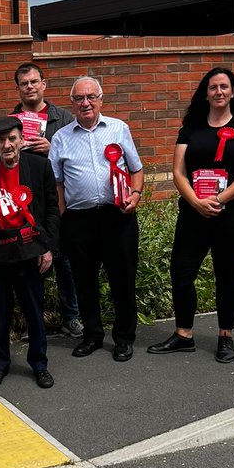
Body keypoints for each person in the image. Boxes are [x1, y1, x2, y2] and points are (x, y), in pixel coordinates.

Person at [148, 68, 234, 363]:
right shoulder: (191, 127)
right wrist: (197, 201)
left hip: (233, 213)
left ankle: (226, 335)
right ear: (206, 93)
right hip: (193, 213)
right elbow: (178, 171)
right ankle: (183, 334)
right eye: (213, 87)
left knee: (226, 273)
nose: (219, 92)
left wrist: (220, 199)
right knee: (181, 271)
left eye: (224, 86)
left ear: (233, 91)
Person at [49, 75, 144, 362]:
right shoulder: (61, 137)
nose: (86, 103)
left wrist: (136, 195)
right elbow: (57, 185)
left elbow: (136, 168)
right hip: (79, 221)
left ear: (101, 99)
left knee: (122, 279)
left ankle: (124, 338)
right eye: (79, 98)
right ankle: (92, 335)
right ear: (72, 103)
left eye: (91, 97)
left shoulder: (119, 128)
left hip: (118, 216)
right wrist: (64, 218)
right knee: (84, 281)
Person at [0, 117, 59, 389]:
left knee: (34, 311)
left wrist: (49, 248)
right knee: (1, 314)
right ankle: (0, 364)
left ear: (21, 139)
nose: (7, 145)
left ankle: (39, 364)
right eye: (1, 140)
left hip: (31, 251)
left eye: (12, 139)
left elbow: (52, 211)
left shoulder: (40, 167)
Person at [10, 63, 81, 336]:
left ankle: (70, 316)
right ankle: (33, 320)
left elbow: (78, 155)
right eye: (24, 83)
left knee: (64, 260)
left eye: (34, 81)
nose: (29, 86)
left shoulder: (63, 118)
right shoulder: (11, 121)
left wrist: (52, 148)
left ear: (43, 84)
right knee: (29, 261)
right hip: (23, 202)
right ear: (17, 88)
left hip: (58, 199)